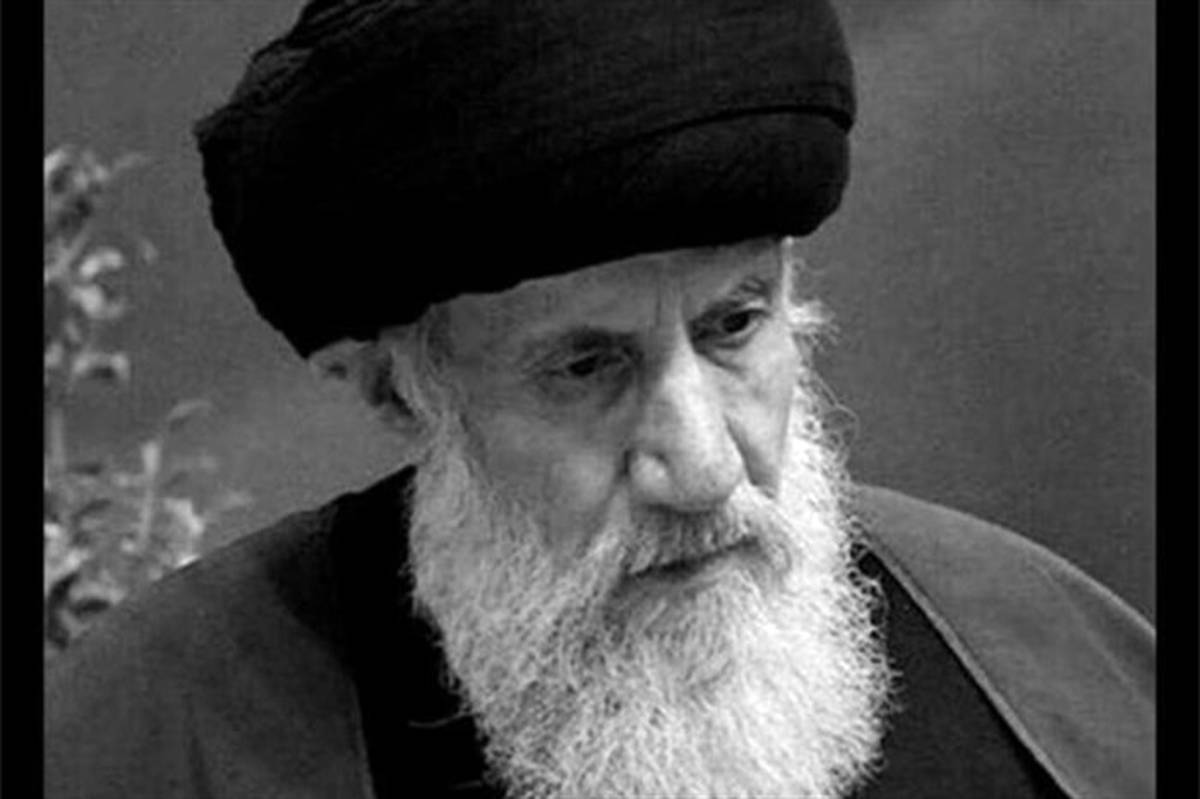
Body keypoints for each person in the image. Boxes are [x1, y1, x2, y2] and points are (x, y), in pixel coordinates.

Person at [45, 1, 1154, 797]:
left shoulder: (1049, 664)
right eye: (586, 367)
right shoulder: (155, 736)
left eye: (734, 325)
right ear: (396, 390)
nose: (704, 469)